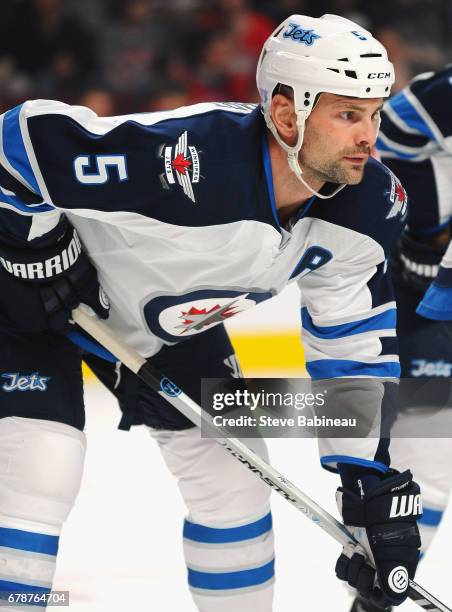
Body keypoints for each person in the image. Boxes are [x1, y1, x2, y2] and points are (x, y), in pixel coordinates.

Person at [0, 14, 421, 611]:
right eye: (348, 115)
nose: (368, 136)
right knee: (40, 471)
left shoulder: (368, 207)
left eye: (375, 114)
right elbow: (16, 144)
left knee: (239, 485)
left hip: (163, 331)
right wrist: (38, 248)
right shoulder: (190, 160)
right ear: (285, 114)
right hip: (25, 306)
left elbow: (352, 339)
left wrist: (368, 479)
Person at [348, 65, 452, 612]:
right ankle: (374, 599)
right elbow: (397, 128)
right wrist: (432, 232)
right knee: (419, 465)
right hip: (421, 298)